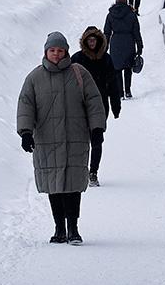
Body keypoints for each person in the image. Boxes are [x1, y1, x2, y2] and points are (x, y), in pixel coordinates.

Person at [18, 31, 106, 244]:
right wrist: (26, 132)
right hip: (46, 139)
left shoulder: (79, 73)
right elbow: (25, 105)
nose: (56, 54)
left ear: (66, 51)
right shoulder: (34, 78)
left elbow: (94, 100)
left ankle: (73, 229)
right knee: (54, 185)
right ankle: (59, 229)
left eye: (60, 50)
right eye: (52, 50)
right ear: (46, 52)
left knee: (74, 185)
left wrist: (96, 129)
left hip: (75, 137)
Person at [70, 26, 120, 187]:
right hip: (80, 104)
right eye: (89, 40)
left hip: (100, 104)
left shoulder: (106, 59)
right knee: (80, 140)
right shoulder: (77, 59)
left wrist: (115, 105)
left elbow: (113, 83)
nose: (92, 43)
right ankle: (81, 170)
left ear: (99, 41)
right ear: (85, 41)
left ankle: (93, 172)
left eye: (94, 40)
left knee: (97, 138)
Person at [104, 0, 143, 100]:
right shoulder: (131, 14)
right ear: (126, 2)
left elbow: (107, 32)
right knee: (127, 68)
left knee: (117, 69)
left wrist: (105, 46)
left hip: (115, 42)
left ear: (116, 2)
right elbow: (136, 32)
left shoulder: (110, 15)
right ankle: (128, 91)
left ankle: (120, 93)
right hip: (129, 43)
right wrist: (140, 46)